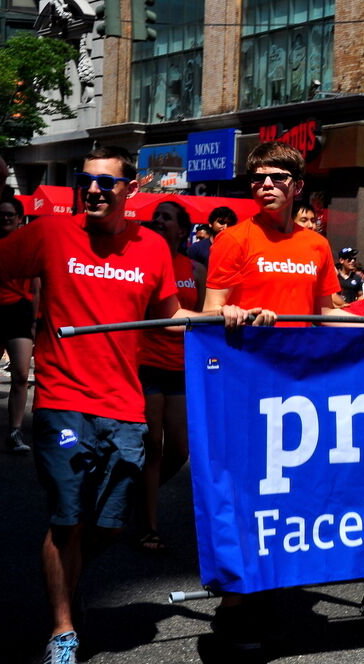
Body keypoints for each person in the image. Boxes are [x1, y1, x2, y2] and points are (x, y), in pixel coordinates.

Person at [0, 146, 253, 664]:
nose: (93, 190)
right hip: (63, 400)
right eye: (86, 181)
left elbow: (172, 314)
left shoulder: (153, 247)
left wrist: (231, 315)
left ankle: (64, 577)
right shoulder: (50, 233)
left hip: (124, 405)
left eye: (105, 183)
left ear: (129, 190)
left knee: (111, 523)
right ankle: (63, 627)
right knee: (67, 517)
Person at [203, 141, 355, 652]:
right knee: (247, 493)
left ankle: (266, 593)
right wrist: (232, 315)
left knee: (291, 494)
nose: (265, 185)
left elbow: (328, 312)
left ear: (297, 186)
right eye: (258, 178)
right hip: (247, 386)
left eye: (276, 178)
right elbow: (208, 311)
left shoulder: (316, 245)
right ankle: (233, 607)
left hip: (302, 391)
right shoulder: (234, 240)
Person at [136, 201, 206, 551]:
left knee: (179, 450)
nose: (159, 221)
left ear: (183, 230)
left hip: (181, 368)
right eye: (157, 216)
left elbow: (207, 314)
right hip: (146, 363)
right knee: (153, 448)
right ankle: (148, 527)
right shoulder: (143, 262)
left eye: (167, 217)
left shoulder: (194, 268)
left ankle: (134, 494)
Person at [0, 196, 35, 452]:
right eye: (3, 214)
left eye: (12, 214)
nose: (7, 218)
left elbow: (37, 287)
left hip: (20, 311)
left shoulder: (29, 246)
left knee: (20, 375)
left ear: (20, 218)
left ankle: (15, 432)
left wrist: (35, 322)